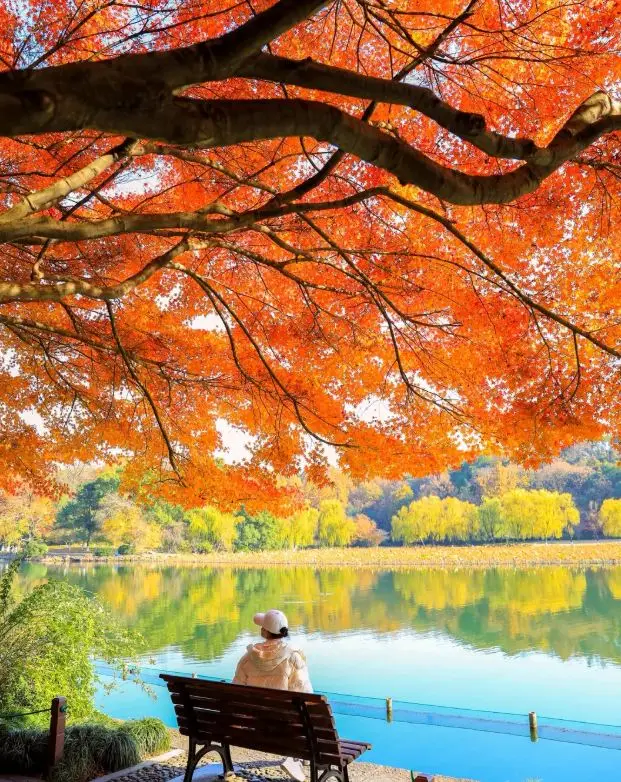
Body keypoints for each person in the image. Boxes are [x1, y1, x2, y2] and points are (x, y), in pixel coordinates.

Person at [233, 609, 312, 782]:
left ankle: (297, 758)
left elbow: (235, 693)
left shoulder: (247, 659)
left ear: (264, 632)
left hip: (255, 727)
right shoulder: (294, 658)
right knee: (310, 713)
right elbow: (305, 695)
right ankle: (298, 757)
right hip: (288, 728)